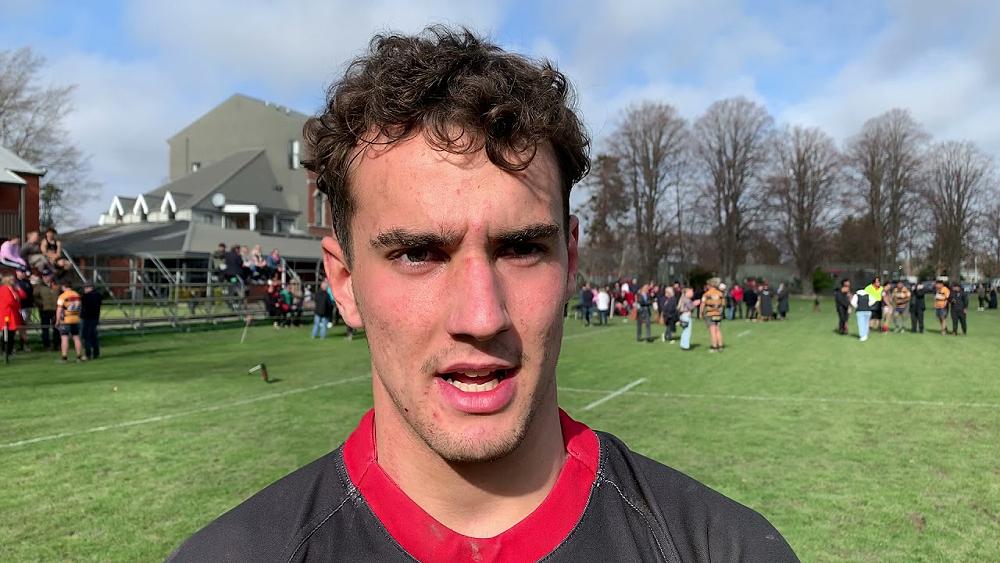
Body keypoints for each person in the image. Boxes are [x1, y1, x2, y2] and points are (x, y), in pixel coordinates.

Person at [169, 27, 796, 562]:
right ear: (344, 283)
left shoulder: (725, 549)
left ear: (571, 261)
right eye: (418, 254)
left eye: (521, 248)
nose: (481, 315)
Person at [55, 280, 85, 362]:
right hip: (76, 318)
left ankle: (64, 357)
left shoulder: (62, 296)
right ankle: (79, 356)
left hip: (66, 319)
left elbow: (59, 309)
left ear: (64, 287)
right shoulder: (77, 295)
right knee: (76, 337)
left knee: (64, 338)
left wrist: (57, 320)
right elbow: (80, 307)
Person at [0, 273, 26, 361]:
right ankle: (6, 351)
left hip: (13, 313)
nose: (13, 281)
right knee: (7, 333)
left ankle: (9, 351)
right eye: (11, 279)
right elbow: (9, 301)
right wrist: (17, 304)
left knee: (11, 333)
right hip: (7, 313)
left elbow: (23, 295)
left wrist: (18, 289)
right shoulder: (4, 289)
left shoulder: (12, 289)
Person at [34, 274, 59, 351]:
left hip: (55, 310)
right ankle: (46, 345)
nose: (46, 278)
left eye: (47, 276)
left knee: (56, 327)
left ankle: (56, 345)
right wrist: (41, 304)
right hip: (44, 310)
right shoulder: (39, 286)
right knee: (45, 328)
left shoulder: (56, 285)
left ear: (50, 276)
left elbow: (61, 294)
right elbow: (35, 297)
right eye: (44, 276)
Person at [700, 278, 725, 352]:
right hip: (718, 314)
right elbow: (723, 304)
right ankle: (720, 346)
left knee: (712, 331)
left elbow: (702, 304)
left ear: (710, 285)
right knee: (718, 330)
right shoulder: (720, 294)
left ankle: (714, 347)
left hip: (710, 314)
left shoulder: (706, 294)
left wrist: (701, 313)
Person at [80, 283, 103, 359]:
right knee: (94, 336)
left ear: (89, 288)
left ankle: (88, 354)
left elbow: (82, 305)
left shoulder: (85, 296)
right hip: (95, 318)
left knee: (86, 336)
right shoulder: (98, 296)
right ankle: (96, 353)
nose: (84, 290)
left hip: (86, 318)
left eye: (85, 288)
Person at [15, 269, 34, 351]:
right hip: (18, 307)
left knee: (24, 327)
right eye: (21, 272)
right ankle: (21, 344)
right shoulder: (14, 282)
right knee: (18, 326)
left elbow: (30, 294)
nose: (22, 274)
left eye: (23, 272)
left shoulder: (27, 282)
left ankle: (24, 344)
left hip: (26, 307)